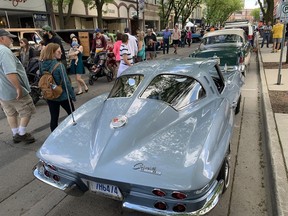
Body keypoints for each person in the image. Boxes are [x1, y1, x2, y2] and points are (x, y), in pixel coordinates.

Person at [0, 29, 36, 143]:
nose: (11, 40)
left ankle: (15, 133)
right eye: (9, 37)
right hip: (13, 90)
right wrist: (18, 88)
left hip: (3, 92)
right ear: (1, 38)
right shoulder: (4, 51)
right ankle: (22, 133)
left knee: (10, 113)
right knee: (27, 110)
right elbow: (10, 72)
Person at [40, 43, 76, 132]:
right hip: (62, 95)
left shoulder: (42, 65)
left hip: (50, 95)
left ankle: (54, 136)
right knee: (72, 115)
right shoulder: (59, 66)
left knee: (54, 117)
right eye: (59, 51)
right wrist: (72, 95)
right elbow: (66, 83)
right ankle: (74, 132)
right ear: (52, 53)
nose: (61, 53)